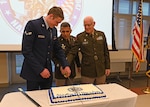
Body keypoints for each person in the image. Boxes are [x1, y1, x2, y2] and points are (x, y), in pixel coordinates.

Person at [20, 6, 71, 91]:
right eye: (56, 22)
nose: (57, 25)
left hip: (47, 71)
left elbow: (58, 49)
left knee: (47, 97)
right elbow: (26, 51)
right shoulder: (33, 25)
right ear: (51, 16)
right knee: (34, 99)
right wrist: (40, 70)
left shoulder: (53, 30)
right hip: (34, 71)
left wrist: (65, 65)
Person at [67, 16, 110, 85]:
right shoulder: (80, 37)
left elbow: (106, 52)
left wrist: (107, 67)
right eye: (85, 25)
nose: (87, 27)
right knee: (87, 91)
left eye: (89, 25)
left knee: (102, 90)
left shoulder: (101, 35)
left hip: (100, 70)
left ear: (94, 24)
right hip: (87, 72)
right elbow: (73, 52)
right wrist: (66, 64)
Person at [53, 22, 81, 86]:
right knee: (60, 91)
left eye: (67, 31)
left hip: (71, 68)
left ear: (70, 31)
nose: (65, 34)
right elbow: (53, 56)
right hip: (60, 69)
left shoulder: (74, 40)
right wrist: (60, 66)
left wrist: (78, 65)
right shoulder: (56, 41)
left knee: (70, 89)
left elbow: (75, 54)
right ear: (60, 31)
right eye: (63, 32)